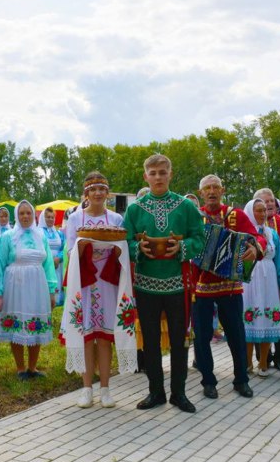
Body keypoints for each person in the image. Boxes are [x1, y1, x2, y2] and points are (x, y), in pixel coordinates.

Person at [124, 154, 205, 413]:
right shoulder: (134, 209)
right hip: (145, 285)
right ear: (145, 176)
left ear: (170, 174)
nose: (158, 177)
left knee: (181, 339)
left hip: (178, 285)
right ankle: (156, 392)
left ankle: (179, 393)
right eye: (153, 173)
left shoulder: (186, 207)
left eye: (162, 172)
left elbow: (200, 239)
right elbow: (124, 242)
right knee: (149, 340)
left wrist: (182, 247)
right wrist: (139, 248)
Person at [62, 172, 130, 408]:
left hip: (107, 282)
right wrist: (85, 244)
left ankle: (106, 389)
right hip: (85, 283)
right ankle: (86, 388)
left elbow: (122, 251)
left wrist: (117, 248)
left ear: (107, 193)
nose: (98, 193)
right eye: (94, 189)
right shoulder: (75, 219)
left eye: (102, 189)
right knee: (86, 336)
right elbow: (71, 252)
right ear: (86, 194)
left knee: (104, 337)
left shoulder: (116, 220)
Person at [192, 175, 262, 399]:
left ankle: (241, 379)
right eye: (207, 188)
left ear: (222, 190)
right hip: (201, 286)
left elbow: (257, 237)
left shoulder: (235, 215)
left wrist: (255, 249)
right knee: (202, 337)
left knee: (236, 335)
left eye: (215, 187)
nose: (211, 191)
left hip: (230, 286)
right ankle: (208, 381)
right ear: (201, 192)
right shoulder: (195, 217)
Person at [0, 201, 58, 379]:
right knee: (17, 322)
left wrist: (52, 290)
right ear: (17, 215)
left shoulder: (41, 236)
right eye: (21, 213)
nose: (25, 216)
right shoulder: (8, 237)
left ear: (34, 215)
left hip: (37, 285)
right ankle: (20, 368)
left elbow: (49, 265)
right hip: (16, 285)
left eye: (28, 213)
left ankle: (33, 367)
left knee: (36, 321)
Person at [242, 199, 280, 378]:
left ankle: (263, 362)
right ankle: (246, 363)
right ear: (249, 212)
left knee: (268, 318)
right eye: (258, 211)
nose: (262, 214)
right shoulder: (243, 234)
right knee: (249, 318)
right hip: (249, 282)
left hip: (269, 280)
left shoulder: (272, 234)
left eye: (264, 211)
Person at [254, 187, 280, 373]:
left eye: (271, 200)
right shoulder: (249, 227)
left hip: (279, 278)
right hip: (256, 282)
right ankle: (263, 357)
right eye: (264, 201)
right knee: (257, 316)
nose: (269, 204)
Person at [40, 207, 66, 306]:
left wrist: (59, 258)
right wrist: (49, 260)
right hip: (44, 264)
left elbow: (64, 248)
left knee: (58, 285)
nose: (51, 219)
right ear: (43, 218)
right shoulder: (38, 232)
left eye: (52, 217)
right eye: (48, 217)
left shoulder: (59, 233)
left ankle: (57, 304)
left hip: (58, 265)